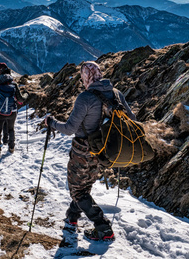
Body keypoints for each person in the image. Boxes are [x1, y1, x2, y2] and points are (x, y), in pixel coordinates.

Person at [45, 61, 136, 241]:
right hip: (104, 151)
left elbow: (70, 128)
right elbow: (131, 118)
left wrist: (51, 122)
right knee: (84, 186)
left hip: (83, 150)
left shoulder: (85, 98)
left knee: (78, 191)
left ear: (85, 77)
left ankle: (103, 228)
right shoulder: (116, 94)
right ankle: (72, 217)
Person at [0, 66, 28, 158]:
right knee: (11, 129)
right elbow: (20, 99)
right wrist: (26, 94)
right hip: (12, 111)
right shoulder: (14, 84)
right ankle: (11, 147)